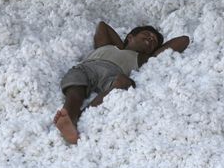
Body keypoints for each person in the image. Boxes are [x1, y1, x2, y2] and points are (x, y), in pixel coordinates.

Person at [53, 21, 190, 144]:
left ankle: (81, 117)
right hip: (86, 68)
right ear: (130, 37)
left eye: (154, 41)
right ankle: (69, 119)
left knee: (124, 82)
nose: (150, 38)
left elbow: (183, 40)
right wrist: (123, 47)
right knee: (75, 94)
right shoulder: (107, 46)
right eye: (146, 35)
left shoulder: (143, 58)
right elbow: (102, 26)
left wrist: (150, 50)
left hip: (113, 75)